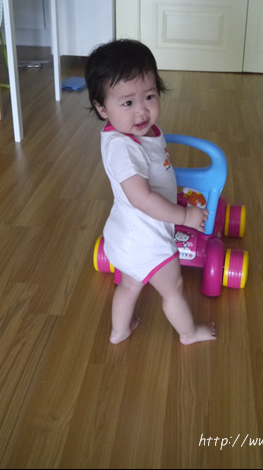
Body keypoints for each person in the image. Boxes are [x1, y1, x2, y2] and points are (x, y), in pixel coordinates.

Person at [85, 39, 217, 345]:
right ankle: (188, 333)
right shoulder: (123, 149)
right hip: (148, 241)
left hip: (126, 234)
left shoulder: (126, 133)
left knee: (130, 285)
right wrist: (184, 216)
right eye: (128, 103)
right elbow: (142, 198)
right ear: (102, 108)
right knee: (173, 290)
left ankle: (120, 331)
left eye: (149, 96)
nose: (142, 111)